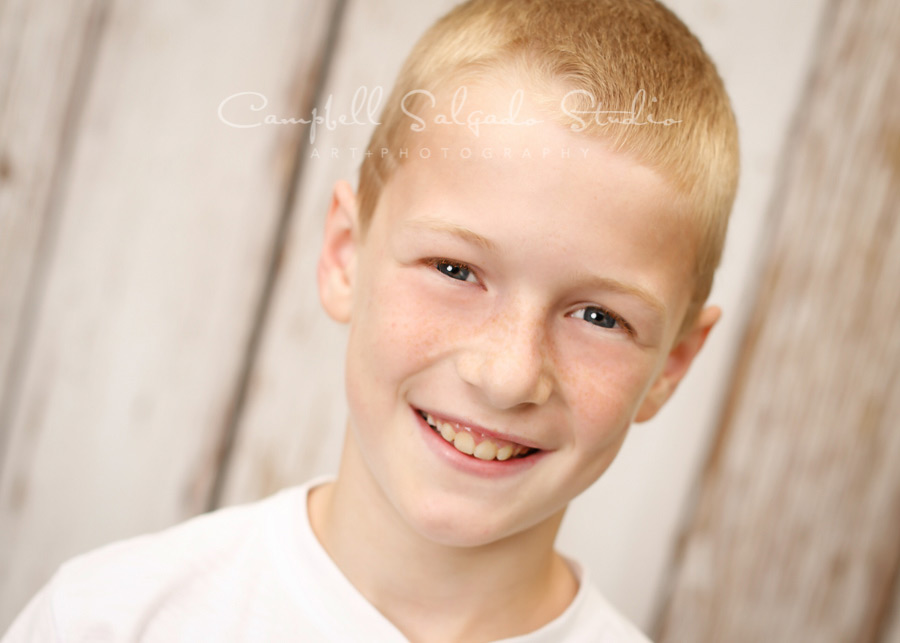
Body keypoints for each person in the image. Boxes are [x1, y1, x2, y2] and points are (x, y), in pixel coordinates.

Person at [3, 0, 738, 640]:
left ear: (671, 363)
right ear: (345, 255)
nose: (509, 373)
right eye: (456, 270)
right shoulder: (109, 621)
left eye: (597, 316)